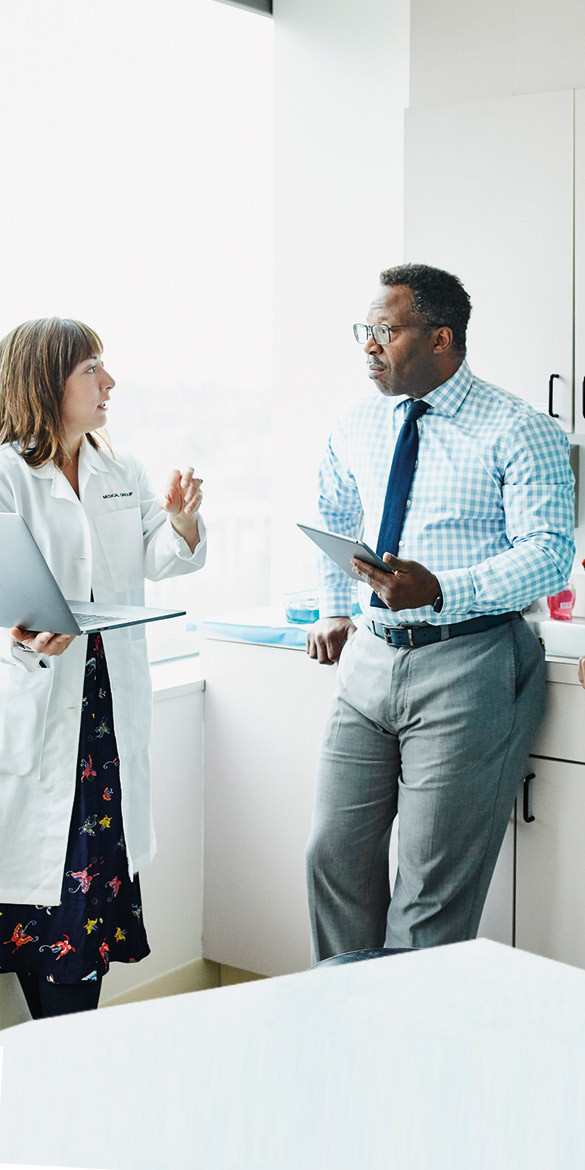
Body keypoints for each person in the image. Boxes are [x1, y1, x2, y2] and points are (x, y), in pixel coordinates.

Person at [305, 263, 575, 961]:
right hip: (368, 661)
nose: (368, 345)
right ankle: (344, 1030)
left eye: (384, 331)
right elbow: (332, 512)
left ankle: (407, 1052)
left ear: (440, 339)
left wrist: (440, 591)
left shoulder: (519, 428)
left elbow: (548, 553)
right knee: (332, 863)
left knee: (428, 898)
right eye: (364, 330)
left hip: (470, 660)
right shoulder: (356, 422)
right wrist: (336, 609)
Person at [0, 317, 206, 1018]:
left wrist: (181, 523)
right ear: (45, 381)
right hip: (33, 702)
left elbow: (157, 557)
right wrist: (22, 639)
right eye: (92, 369)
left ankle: (66, 1061)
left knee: (82, 910)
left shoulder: (121, 471)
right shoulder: (6, 472)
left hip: (103, 718)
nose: (108, 383)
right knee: (33, 900)